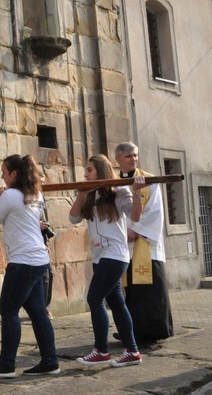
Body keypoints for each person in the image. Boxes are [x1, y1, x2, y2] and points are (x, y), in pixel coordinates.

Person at [0, 154, 59, 377]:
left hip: (23, 261)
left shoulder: (11, 195)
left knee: (8, 310)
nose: (1, 176)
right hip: (38, 259)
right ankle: (50, 360)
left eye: (4, 172)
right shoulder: (35, 193)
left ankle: (6, 364)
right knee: (37, 312)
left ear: (14, 174)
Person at [70, 154, 145, 368]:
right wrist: (81, 195)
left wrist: (136, 193)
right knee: (117, 303)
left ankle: (101, 350)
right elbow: (73, 218)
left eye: (89, 170)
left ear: (101, 171)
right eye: (85, 170)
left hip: (115, 254)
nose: (85, 174)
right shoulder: (89, 195)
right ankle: (132, 351)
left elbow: (136, 216)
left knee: (94, 299)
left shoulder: (119, 191)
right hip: (99, 256)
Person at [114, 142, 174, 343]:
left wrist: (136, 231)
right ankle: (131, 330)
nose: (134, 159)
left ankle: (154, 330)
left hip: (145, 246)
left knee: (149, 291)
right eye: (129, 156)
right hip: (123, 245)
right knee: (130, 292)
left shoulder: (149, 180)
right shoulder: (112, 183)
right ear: (118, 160)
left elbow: (155, 210)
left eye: (135, 155)